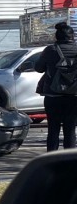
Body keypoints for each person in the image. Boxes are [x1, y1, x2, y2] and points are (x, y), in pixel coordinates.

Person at [35, 22, 77, 151]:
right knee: (70, 130)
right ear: (72, 37)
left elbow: (38, 68)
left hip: (53, 96)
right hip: (74, 96)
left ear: (57, 37)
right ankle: (69, 162)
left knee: (53, 129)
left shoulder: (50, 50)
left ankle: (51, 161)